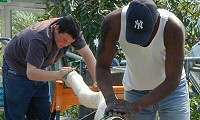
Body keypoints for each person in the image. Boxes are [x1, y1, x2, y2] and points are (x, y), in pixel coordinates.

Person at [96, 0, 189, 120]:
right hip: (135, 90)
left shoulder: (172, 28)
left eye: (144, 35)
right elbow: (102, 67)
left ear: (157, 22)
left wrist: (136, 106)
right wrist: (111, 101)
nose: (140, 44)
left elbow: (173, 79)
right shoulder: (114, 23)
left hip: (172, 92)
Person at [2, 15, 96, 119]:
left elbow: (88, 55)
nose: (66, 45)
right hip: (17, 68)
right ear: (56, 28)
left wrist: (97, 81)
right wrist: (58, 74)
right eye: (64, 40)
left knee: (43, 113)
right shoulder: (39, 39)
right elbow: (32, 73)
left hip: (38, 67)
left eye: (70, 43)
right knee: (16, 114)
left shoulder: (72, 31)